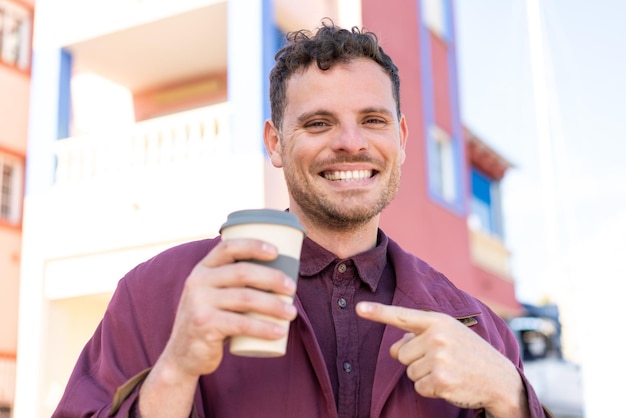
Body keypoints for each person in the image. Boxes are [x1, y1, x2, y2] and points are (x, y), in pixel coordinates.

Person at [52, 19, 551, 418]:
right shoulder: (154, 295)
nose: (351, 143)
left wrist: (510, 399)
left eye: (373, 120)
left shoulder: (478, 330)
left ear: (401, 138)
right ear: (274, 142)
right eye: (318, 123)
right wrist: (176, 370)